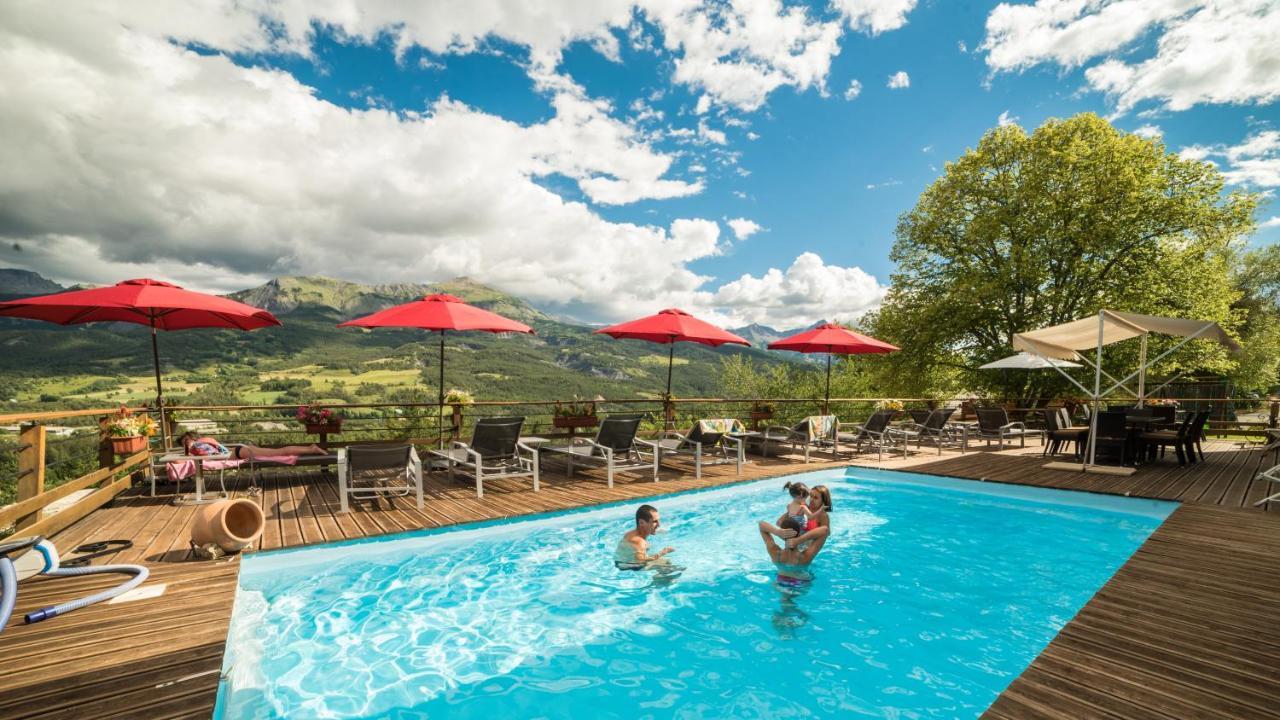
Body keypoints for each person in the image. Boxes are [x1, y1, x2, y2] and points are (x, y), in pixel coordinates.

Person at [758, 515, 830, 588]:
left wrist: (777, 532)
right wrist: (799, 540)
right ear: (799, 534)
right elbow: (825, 530)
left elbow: (761, 524)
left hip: (780, 582)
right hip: (800, 583)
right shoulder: (804, 558)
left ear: (782, 536)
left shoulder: (775, 553)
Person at [178, 431, 325, 461]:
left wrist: (191, 453)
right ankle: (310, 448)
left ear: (187, 440)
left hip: (240, 452)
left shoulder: (197, 447)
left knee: (280, 452)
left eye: (185, 443)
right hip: (241, 450)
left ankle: (311, 449)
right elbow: (218, 448)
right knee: (279, 452)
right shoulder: (205, 439)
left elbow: (215, 454)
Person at [615, 504, 674, 570]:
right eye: (655, 521)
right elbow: (641, 561)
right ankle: (659, 580)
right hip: (628, 566)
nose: (659, 525)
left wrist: (657, 531)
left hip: (621, 561)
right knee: (667, 563)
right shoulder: (639, 542)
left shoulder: (632, 533)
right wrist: (663, 552)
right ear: (641, 523)